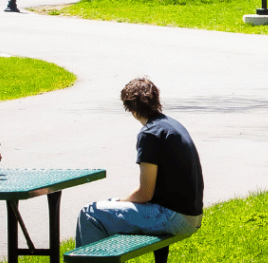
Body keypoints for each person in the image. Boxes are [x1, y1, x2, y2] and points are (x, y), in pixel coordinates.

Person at [76, 78, 203, 246]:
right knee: (107, 208)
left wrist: (119, 202)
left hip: (175, 217)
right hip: (193, 215)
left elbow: (145, 194)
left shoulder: (149, 134)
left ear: (131, 108)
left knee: (89, 213)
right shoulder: (171, 125)